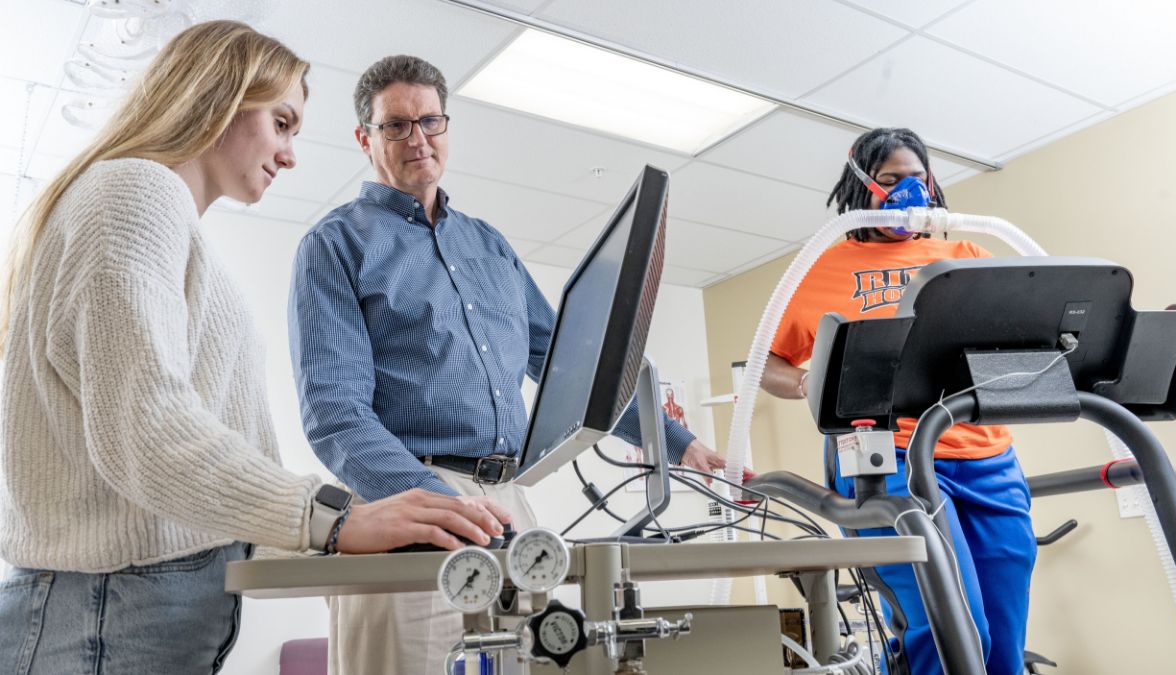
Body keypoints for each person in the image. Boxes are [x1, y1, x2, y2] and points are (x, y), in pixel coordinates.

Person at [0, 22, 509, 675]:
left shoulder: (160, 216)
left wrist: (335, 534)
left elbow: (182, 467)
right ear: (216, 96)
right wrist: (329, 517)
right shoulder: (135, 191)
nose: (292, 153)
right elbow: (146, 432)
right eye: (282, 122)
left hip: (126, 613)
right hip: (105, 618)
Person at [288, 54, 728, 674]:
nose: (418, 138)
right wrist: (440, 501)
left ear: (446, 127)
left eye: (430, 121)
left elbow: (573, 369)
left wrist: (679, 444)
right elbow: (335, 415)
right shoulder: (336, 244)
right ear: (365, 138)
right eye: (396, 125)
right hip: (408, 504)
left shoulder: (489, 245)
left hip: (508, 503)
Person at [761, 128, 1036, 675]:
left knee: (1003, 637)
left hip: (985, 454)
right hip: (886, 458)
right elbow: (764, 365)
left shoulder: (965, 252)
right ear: (861, 186)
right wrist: (807, 382)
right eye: (891, 180)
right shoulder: (819, 266)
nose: (907, 191)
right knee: (952, 624)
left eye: (918, 179)